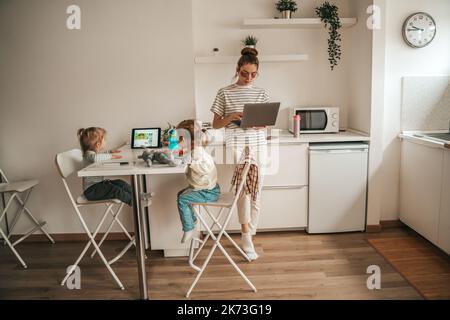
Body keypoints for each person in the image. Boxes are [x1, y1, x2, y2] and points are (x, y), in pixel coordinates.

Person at [210, 47, 269, 260]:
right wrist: (232, 116)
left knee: (256, 189)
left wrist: (259, 123)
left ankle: (250, 232)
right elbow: (216, 124)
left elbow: (264, 124)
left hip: (258, 142)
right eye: (245, 73)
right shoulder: (224, 92)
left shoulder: (261, 92)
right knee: (243, 188)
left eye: (253, 74)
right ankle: (245, 235)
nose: (249, 78)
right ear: (237, 69)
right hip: (236, 141)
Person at [176, 120, 220, 243]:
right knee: (181, 195)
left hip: (207, 192)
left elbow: (185, 160)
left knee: (182, 199)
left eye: (178, 139)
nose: (177, 142)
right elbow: (183, 155)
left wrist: (181, 155)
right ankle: (192, 220)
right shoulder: (196, 150)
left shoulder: (196, 154)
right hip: (208, 188)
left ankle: (188, 228)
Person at [77, 127, 132, 206]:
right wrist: (110, 156)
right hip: (91, 191)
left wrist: (109, 152)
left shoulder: (92, 154)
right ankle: (134, 203)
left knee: (120, 182)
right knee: (115, 190)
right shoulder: (88, 155)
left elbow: (99, 156)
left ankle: (138, 196)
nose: (106, 141)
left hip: (99, 185)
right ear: (98, 144)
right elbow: (96, 158)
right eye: (104, 140)